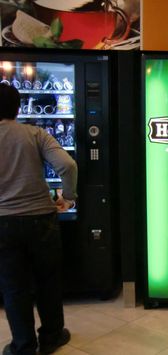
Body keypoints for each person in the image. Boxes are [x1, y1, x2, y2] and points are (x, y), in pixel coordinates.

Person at [0, 83, 77, 355]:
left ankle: (23, 346)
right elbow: (67, 165)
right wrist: (69, 197)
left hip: (4, 224)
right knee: (48, 281)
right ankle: (52, 337)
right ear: (19, 108)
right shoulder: (36, 133)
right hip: (41, 220)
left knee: (14, 288)